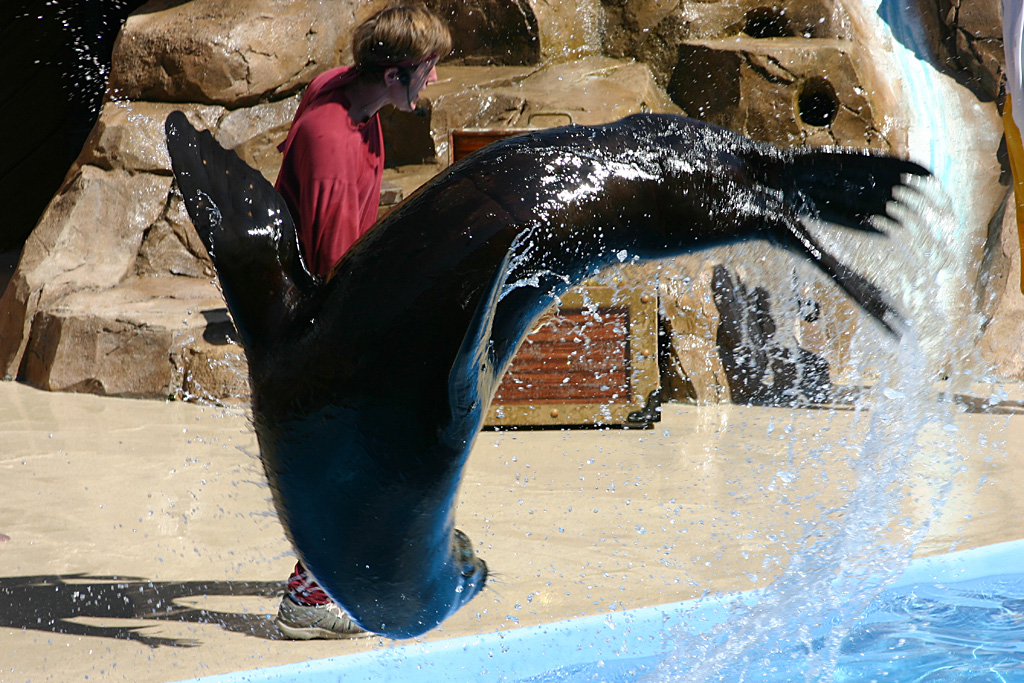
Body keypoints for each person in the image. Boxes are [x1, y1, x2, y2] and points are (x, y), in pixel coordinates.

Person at [272, 4, 451, 639]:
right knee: (351, 449)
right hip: (320, 318)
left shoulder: (354, 98)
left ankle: (346, 570)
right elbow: (330, 264)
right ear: (396, 70)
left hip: (340, 298)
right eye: (427, 68)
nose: (433, 79)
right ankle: (309, 596)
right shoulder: (332, 138)